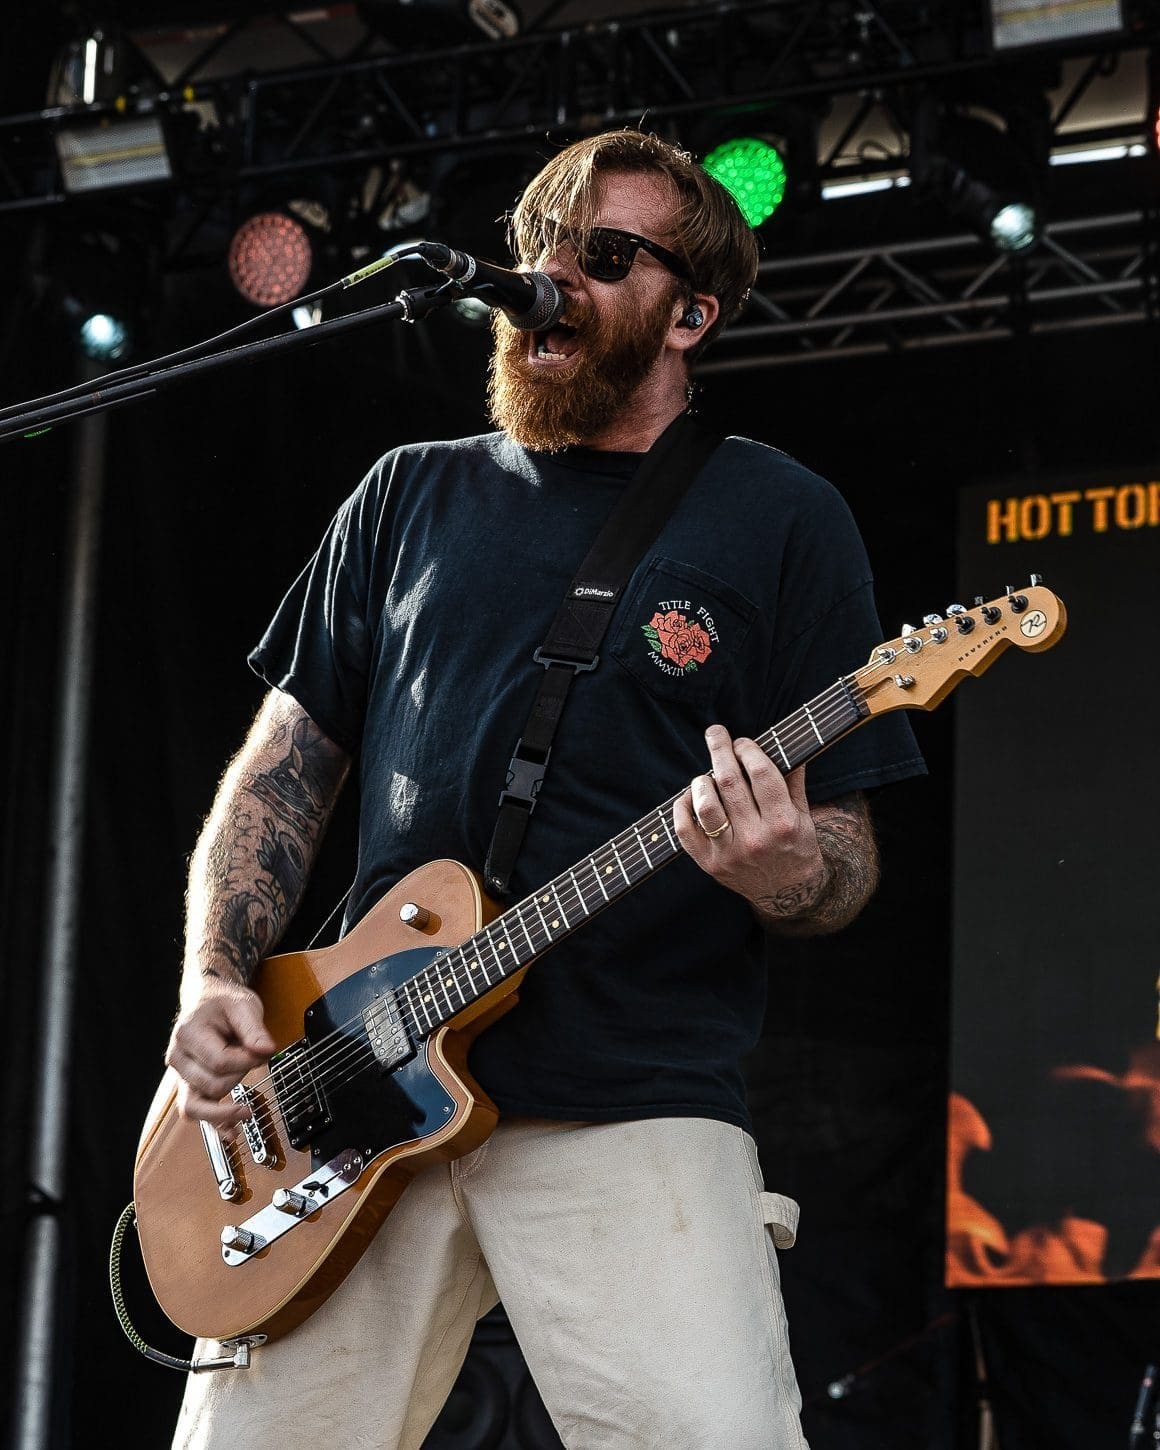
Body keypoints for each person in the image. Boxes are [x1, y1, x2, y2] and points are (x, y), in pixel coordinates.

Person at [165, 128, 925, 1450]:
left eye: (604, 255)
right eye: (539, 249)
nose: (552, 279)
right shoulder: (408, 495)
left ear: (691, 313)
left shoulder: (780, 517)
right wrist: (216, 973)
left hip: (633, 1093)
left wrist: (782, 866)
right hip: (351, 1082)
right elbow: (281, 774)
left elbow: (845, 856)